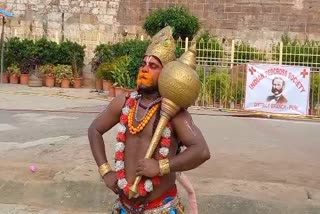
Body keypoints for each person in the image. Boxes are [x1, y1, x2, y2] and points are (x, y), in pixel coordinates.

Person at [88, 26, 210, 214]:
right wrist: (105, 171)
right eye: (143, 64)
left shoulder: (175, 112)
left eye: (153, 66)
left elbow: (201, 151)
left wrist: (162, 166)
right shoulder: (124, 102)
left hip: (161, 208)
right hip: (123, 207)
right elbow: (95, 130)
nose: (144, 69)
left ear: (166, 74)